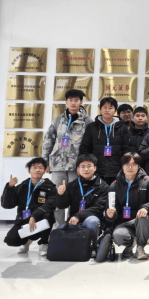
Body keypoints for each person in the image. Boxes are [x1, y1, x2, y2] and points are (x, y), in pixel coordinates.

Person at [42, 88, 93, 227]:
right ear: (66, 101)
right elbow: (48, 140)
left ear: (81, 102)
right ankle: (58, 228)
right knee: (56, 197)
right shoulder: (58, 119)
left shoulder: (87, 121)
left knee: (75, 198)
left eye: (76, 100)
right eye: (70, 100)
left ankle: (72, 228)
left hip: (76, 167)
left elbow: (90, 145)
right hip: (58, 165)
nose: (73, 103)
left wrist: (86, 166)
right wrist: (45, 162)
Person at [106, 153, 149, 260]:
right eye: (127, 164)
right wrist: (111, 214)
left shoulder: (148, 181)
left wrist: (146, 208)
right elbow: (111, 208)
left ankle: (140, 247)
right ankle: (130, 245)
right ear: (122, 166)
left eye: (134, 164)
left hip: (143, 220)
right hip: (124, 222)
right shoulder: (114, 185)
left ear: (138, 166)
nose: (130, 167)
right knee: (118, 236)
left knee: (142, 217)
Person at [56, 153, 109, 257]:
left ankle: (94, 246)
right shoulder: (72, 185)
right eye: (82, 166)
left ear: (95, 168)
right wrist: (61, 195)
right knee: (62, 229)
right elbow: (62, 206)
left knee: (91, 221)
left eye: (89, 166)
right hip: (74, 221)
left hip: (93, 221)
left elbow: (98, 208)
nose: (86, 169)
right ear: (78, 170)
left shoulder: (103, 186)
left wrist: (78, 216)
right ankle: (78, 247)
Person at [2, 158, 56, 256]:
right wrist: (10, 188)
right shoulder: (22, 186)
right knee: (11, 240)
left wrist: (34, 216)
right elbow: (7, 205)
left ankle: (43, 243)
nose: (37, 170)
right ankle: (27, 241)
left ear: (45, 170)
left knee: (48, 215)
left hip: (40, 219)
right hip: (23, 219)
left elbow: (50, 205)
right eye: (34, 167)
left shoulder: (50, 187)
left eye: (41, 168)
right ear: (29, 170)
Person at [79, 97, 131, 185]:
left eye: (110, 108)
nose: (107, 110)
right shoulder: (92, 127)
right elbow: (84, 148)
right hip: (95, 170)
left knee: (113, 193)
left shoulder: (122, 128)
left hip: (116, 171)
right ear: (100, 109)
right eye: (105, 107)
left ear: (115, 111)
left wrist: (125, 168)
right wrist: (83, 166)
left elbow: (126, 149)